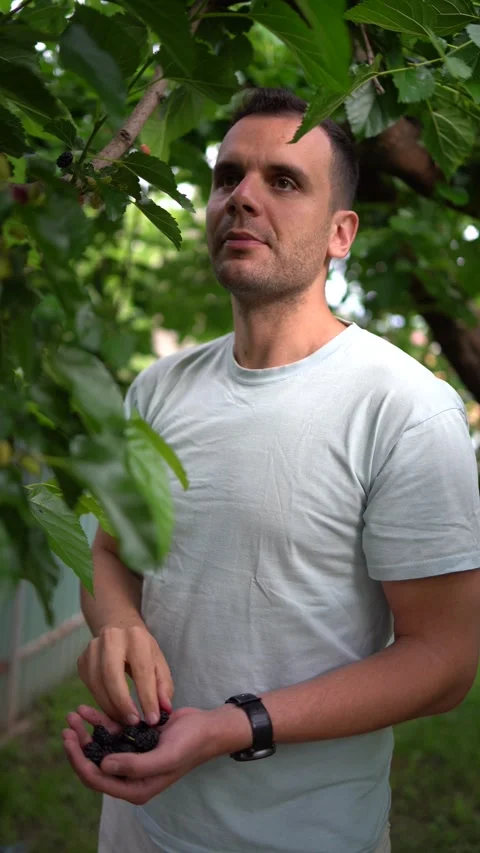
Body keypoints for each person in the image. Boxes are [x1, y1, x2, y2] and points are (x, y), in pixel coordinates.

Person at [62, 87, 480, 853]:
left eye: (283, 181)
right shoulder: (157, 389)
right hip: (137, 824)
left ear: (340, 232)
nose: (242, 198)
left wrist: (235, 725)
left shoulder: (406, 409)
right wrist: (119, 625)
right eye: (228, 177)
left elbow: (445, 662)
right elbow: (111, 554)